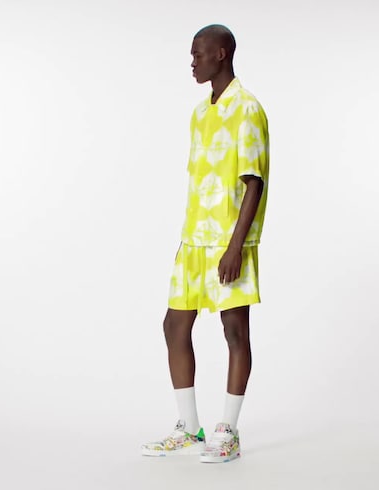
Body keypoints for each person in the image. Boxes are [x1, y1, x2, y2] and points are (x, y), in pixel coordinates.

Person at [141, 24, 269, 463]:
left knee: (234, 331)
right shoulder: (199, 113)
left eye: (198, 54)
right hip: (194, 239)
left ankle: (228, 431)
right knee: (174, 325)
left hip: (229, 241)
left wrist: (235, 247)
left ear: (221, 53)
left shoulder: (247, 108)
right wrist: (186, 239)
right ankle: (189, 427)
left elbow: (253, 183)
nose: (192, 62)